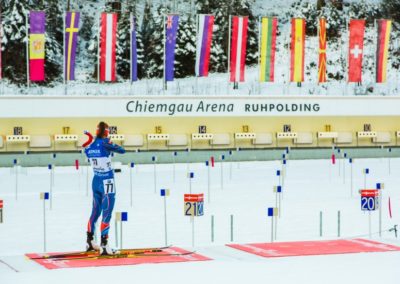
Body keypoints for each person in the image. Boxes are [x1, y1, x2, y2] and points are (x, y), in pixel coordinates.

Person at [83, 121, 125, 255]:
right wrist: (109, 141)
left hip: (96, 180)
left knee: (95, 211)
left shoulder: (91, 145)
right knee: (107, 211)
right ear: (106, 132)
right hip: (107, 181)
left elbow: (87, 151)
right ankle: (104, 244)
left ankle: (89, 241)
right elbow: (122, 150)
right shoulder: (106, 143)